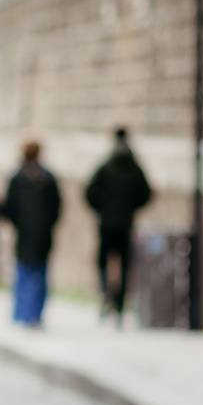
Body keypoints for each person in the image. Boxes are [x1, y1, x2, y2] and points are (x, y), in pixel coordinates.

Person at [86, 127, 153, 324]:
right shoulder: (134, 167)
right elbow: (146, 193)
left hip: (106, 223)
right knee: (124, 264)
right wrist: (132, 208)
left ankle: (106, 294)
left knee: (103, 261)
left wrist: (100, 208)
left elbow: (90, 192)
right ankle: (120, 303)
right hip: (125, 223)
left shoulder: (106, 166)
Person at [3, 140, 62, 327]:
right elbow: (56, 208)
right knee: (39, 273)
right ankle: (34, 314)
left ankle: (22, 312)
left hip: (25, 233)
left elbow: (9, 208)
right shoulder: (48, 178)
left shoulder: (17, 178)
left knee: (24, 272)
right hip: (42, 233)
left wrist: (19, 223)